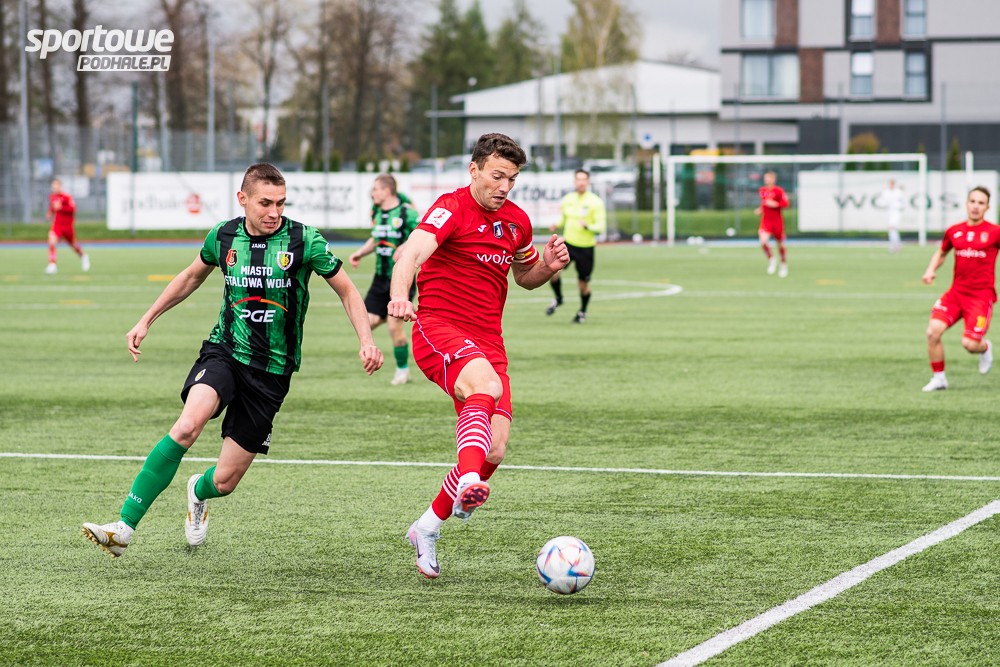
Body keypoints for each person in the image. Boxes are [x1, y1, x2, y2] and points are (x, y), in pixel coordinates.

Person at [81, 163, 383, 558]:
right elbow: (191, 277)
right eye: (265, 203)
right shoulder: (224, 236)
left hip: (272, 374)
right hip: (225, 351)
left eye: (281, 203)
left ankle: (197, 491)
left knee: (224, 481)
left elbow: (347, 290)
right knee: (187, 426)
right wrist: (146, 319)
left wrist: (366, 340)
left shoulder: (303, 239)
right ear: (243, 199)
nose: (274, 212)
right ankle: (123, 528)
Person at [388, 133, 569, 578]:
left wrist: (548, 266)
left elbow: (524, 275)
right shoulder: (450, 208)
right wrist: (400, 296)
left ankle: (426, 528)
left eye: (512, 179)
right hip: (439, 329)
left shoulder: (517, 221)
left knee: (496, 449)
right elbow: (410, 254)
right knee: (484, 391)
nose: (504, 186)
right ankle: (468, 480)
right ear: (474, 170)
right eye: (497, 176)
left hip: (489, 343)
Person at [920, 186, 997, 392]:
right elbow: (942, 252)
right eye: (972, 201)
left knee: (970, 344)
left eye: (981, 203)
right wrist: (930, 270)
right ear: (966, 204)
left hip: (981, 298)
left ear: (987, 207)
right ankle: (939, 379)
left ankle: (985, 348)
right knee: (932, 332)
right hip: (956, 294)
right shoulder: (954, 231)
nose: (975, 206)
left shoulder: (994, 232)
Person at [349, 174, 420, 385]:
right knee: (367, 323)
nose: (372, 193)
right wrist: (360, 253)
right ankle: (388, 317)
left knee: (393, 326)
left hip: (401, 278)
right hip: (380, 279)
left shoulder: (407, 213)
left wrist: (404, 247)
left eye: (375, 189)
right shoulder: (376, 212)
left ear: (386, 191)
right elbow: (376, 238)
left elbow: (421, 235)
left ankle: (403, 371)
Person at [545, 169, 607, 323]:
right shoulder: (568, 199)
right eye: (578, 179)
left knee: (583, 284)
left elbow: (600, 227)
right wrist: (557, 224)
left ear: (588, 182)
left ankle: (582, 312)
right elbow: (564, 219)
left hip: (586, 248)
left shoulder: (595, 202)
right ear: (574, 181)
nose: (581, 182)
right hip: (568, 245)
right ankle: (559, 298)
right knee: (553, 272)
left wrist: (588, 226)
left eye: (583, 179)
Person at [45, 178, 89, 274]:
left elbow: (73, 209)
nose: (54, 188)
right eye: (53, 186)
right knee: (52, 240)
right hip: (57, 225)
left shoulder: (67, 197)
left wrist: (62, 207)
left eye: (56, 186)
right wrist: (49, 213)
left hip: (68, 226)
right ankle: (52, 264)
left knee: (73, 245)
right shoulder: (52, 197)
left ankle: (83, 256)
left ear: (60, 186)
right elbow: (52, 207)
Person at [754, 170, 789, 277]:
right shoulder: (762, 190)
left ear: (773, 179)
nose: (766, 180)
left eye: (768, 178)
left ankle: (783, 265)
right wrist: (760, 209)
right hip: (766, 221)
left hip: (777, 222)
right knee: (763, 241)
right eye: (765, 178)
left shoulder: (779, 191)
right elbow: (764, 203)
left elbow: (786, 204)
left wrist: (775, 204)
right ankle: (772, 259)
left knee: (780, 245)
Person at [878, 178, 906, 253]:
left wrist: (899, 206)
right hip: (888, 212)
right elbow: (881, 202)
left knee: (892, 227)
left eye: (892, 184)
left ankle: (895, 245)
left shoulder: (898, 192)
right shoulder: (886, 192)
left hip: (896, 212)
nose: (891, 185)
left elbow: (903, 202)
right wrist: (885, 205)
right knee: (891, 230)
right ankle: (896, 245)